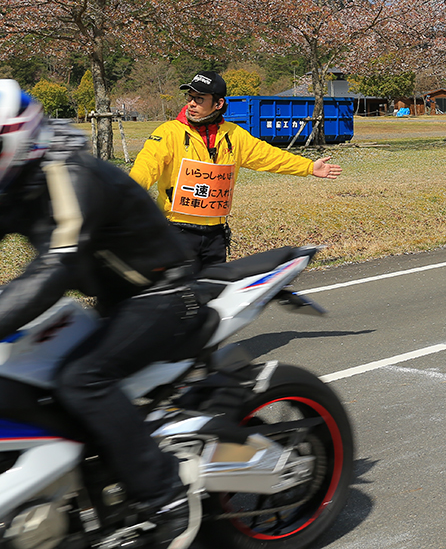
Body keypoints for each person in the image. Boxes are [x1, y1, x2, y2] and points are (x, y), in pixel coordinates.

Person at [0, 79, 202, 549]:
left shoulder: (69, 174)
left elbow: (56, 267)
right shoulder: (16, 180)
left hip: (163, 293)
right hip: (114, 299)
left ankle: (167, 498)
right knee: (23, 372)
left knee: (81, 379)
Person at [131, 72, 342, 268]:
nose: (191, 104)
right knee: (178, 292)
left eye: (200, 99)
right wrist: (123, 199)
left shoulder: (234, 135)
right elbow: (146, 167)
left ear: (218, 103)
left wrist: (308, 167)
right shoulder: (168, 132)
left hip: (216, 235)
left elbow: (269, 157)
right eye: (190, 98)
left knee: (215, 291)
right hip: (176, 231)